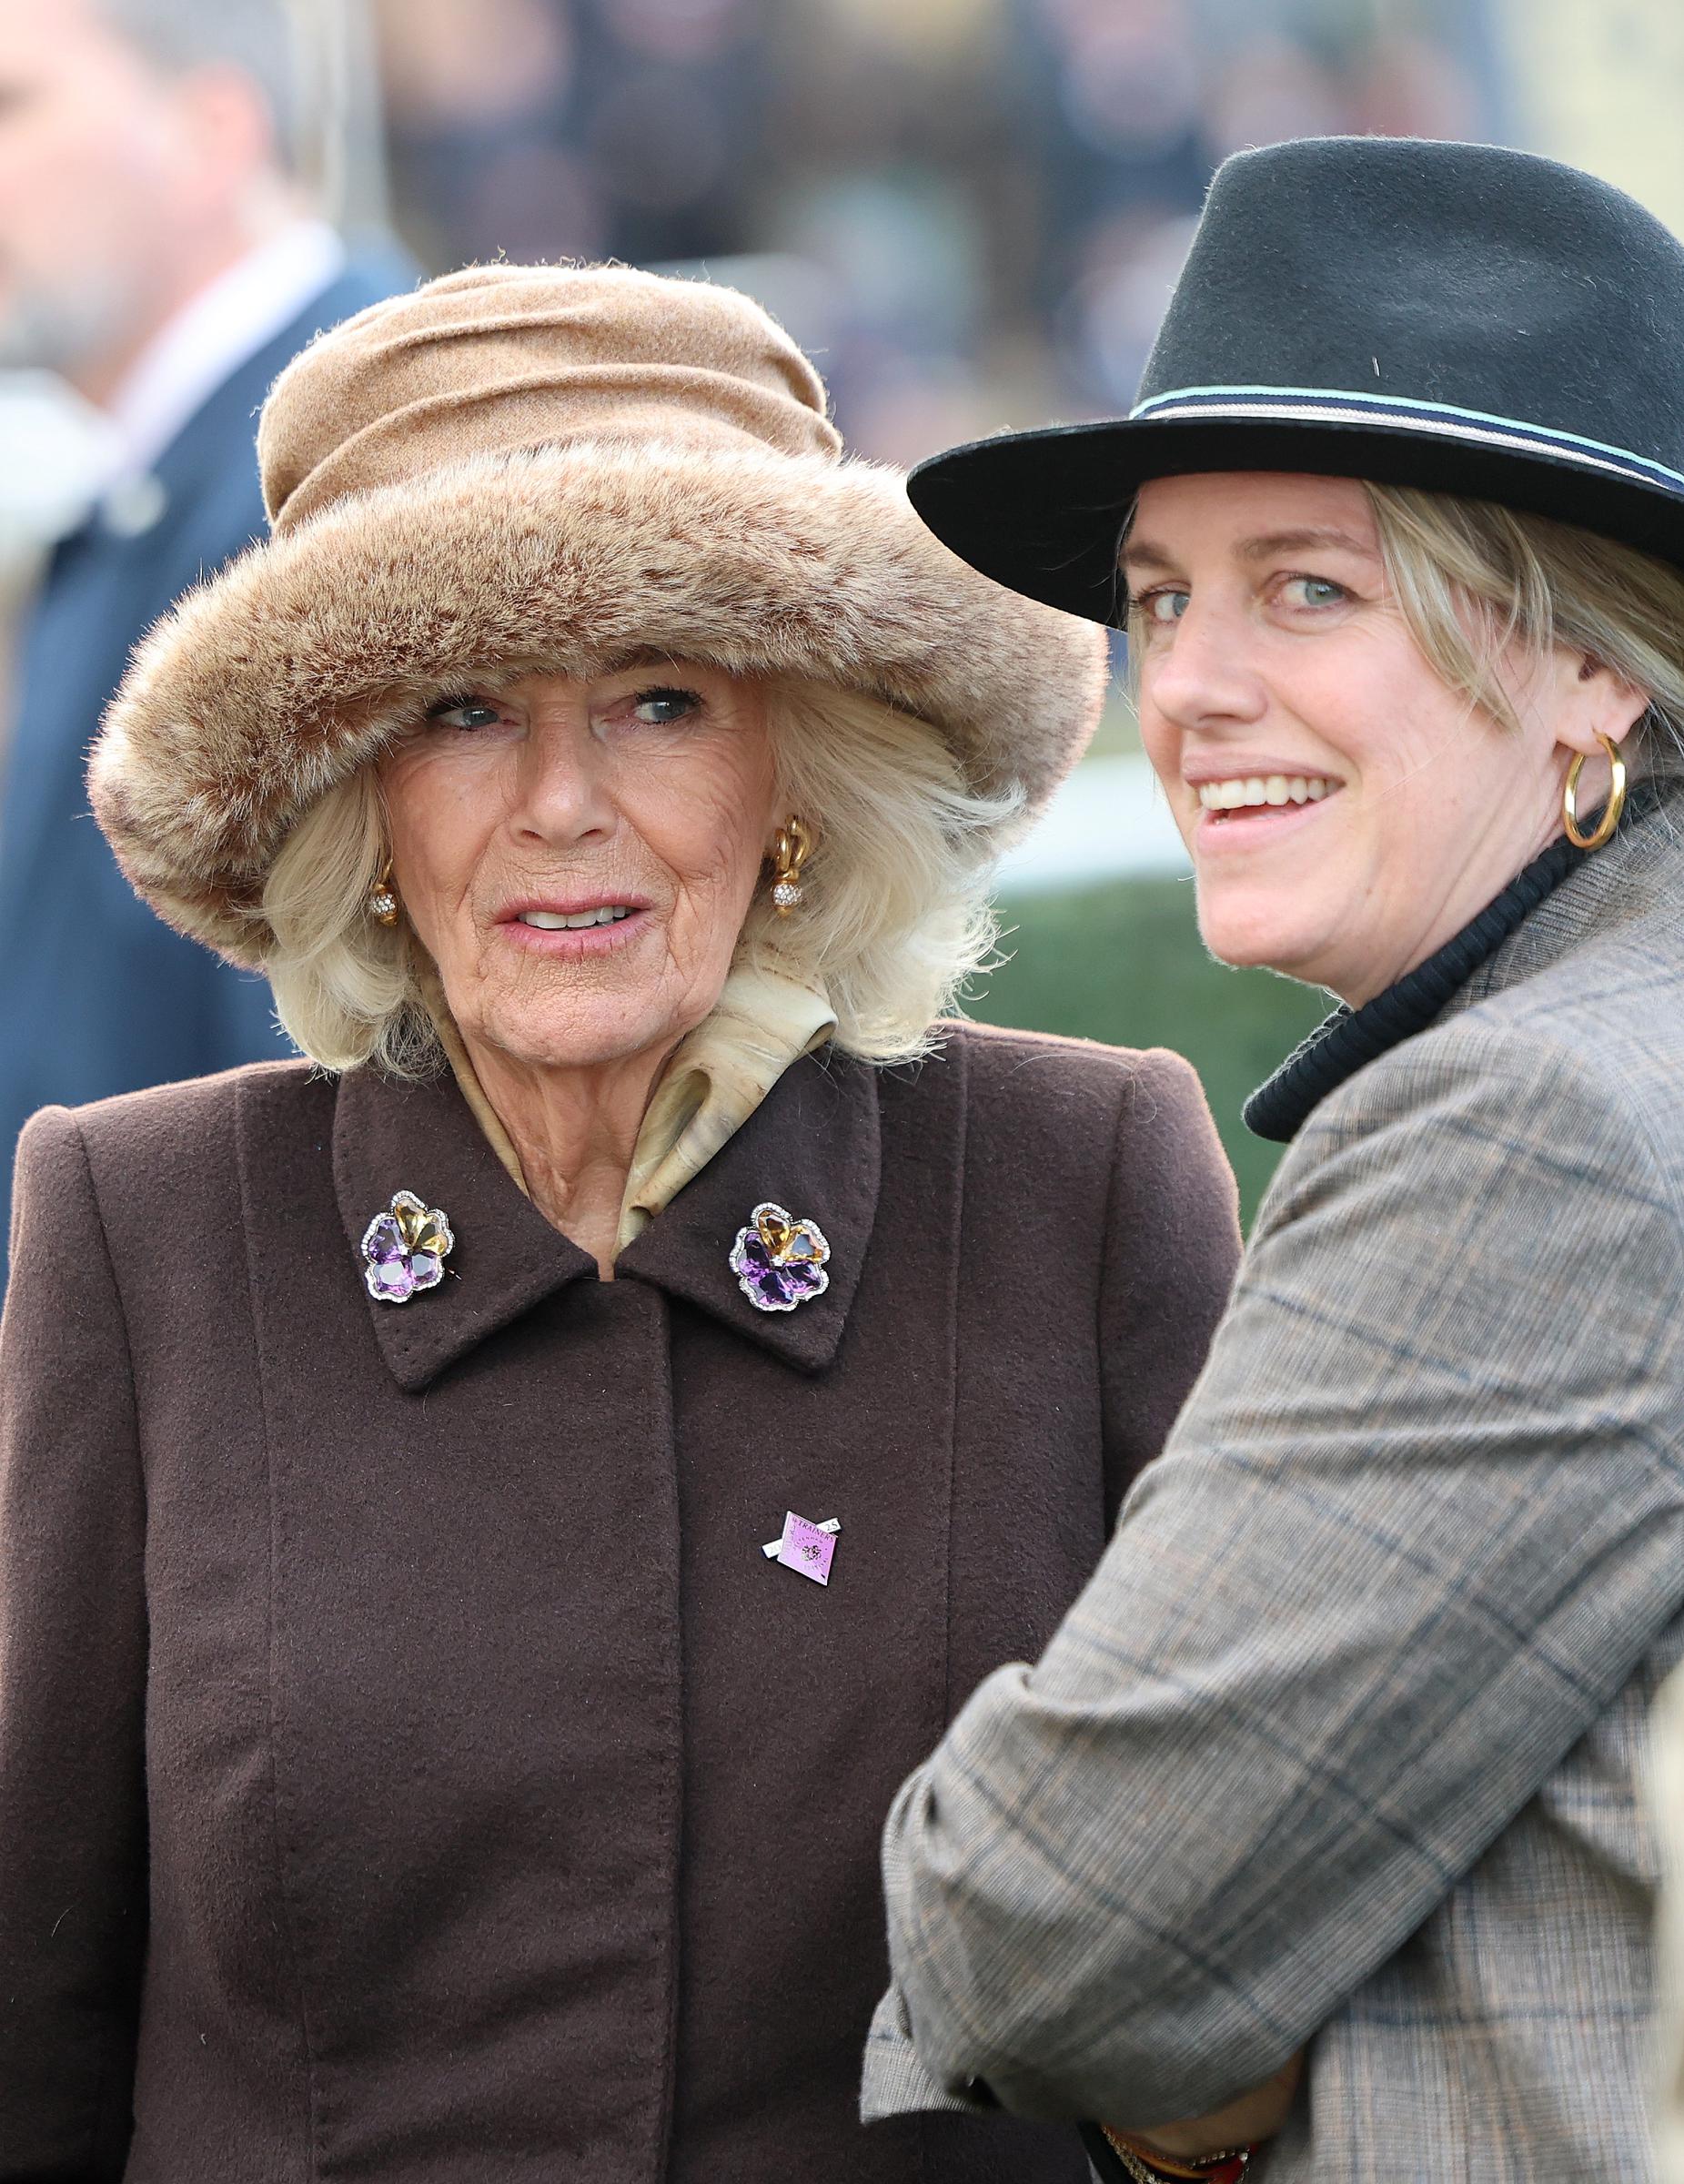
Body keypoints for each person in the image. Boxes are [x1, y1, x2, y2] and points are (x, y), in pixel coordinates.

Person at [0, 264, 1241, 2182]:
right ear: (361, 807)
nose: (562, 804)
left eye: (661, 702)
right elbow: (34, 2012)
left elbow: (1258, 1930)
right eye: (464, 711)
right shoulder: (144, 1232)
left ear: (795, 778)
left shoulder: (1077, 1189)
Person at [865, 135, 1684, 2181]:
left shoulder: (1534, 1125)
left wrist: (1178, 2083)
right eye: (1158, 599)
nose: (1190, 687)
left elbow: (1043, 1935)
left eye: (1304, 587)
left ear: (1590, 658)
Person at [0, 0, 407, 1277]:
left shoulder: (345, 486)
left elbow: (328, 1127)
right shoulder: (169, 495)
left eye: (13, 104)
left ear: (212, 130)